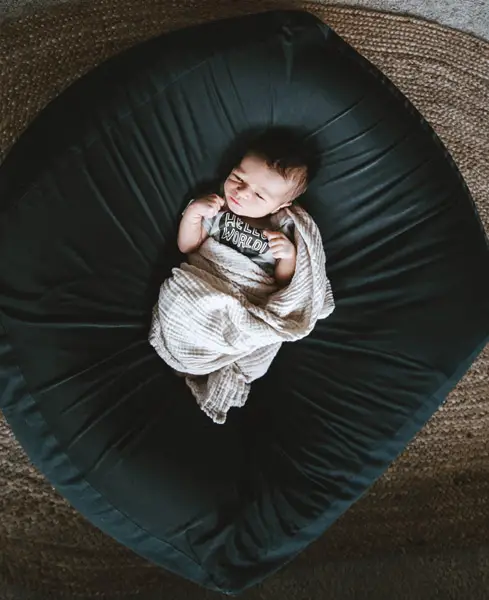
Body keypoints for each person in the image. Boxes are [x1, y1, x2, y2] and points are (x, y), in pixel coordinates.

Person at [177, 130, 310, 287]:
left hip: (250, 293)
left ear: (279, 207)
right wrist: (193, 212)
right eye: (238, 178)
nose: (241, 192)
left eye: (259, 195)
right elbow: (187, 246)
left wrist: (289, 257)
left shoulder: (281, 230)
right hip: (205, 281)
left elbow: (283, 282)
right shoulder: (216, 207)